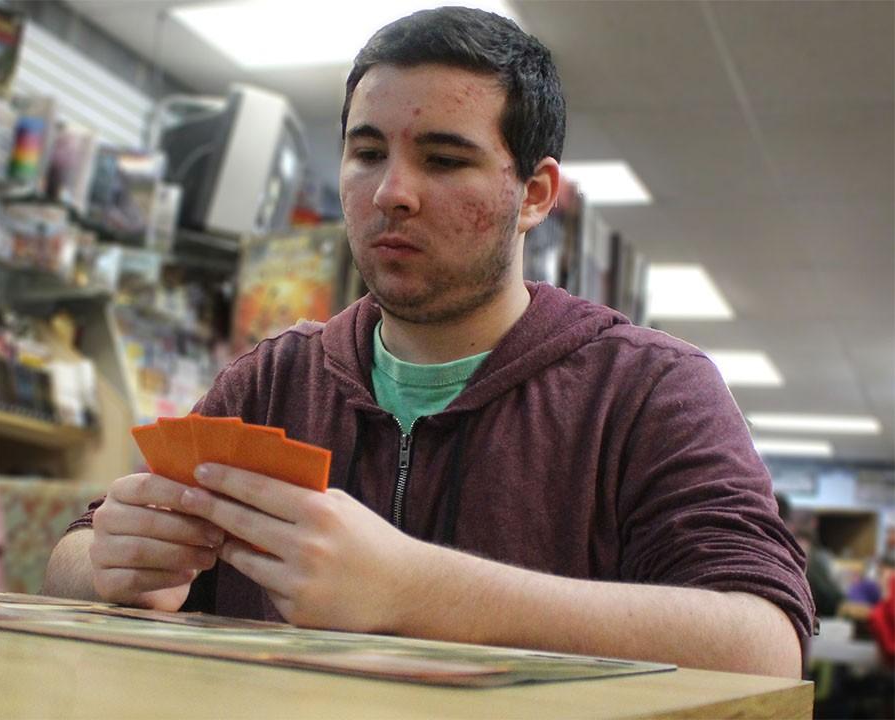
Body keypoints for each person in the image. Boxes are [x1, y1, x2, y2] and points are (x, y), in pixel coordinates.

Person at [42, 7, 813, 678]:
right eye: (367, 152)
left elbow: (764, 642)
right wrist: (113, 562)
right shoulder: (272, 380)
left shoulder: (648, 390)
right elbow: (73, 555)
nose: (390, 193)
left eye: (444, 160)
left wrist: (416, 591)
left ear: (535, 195)